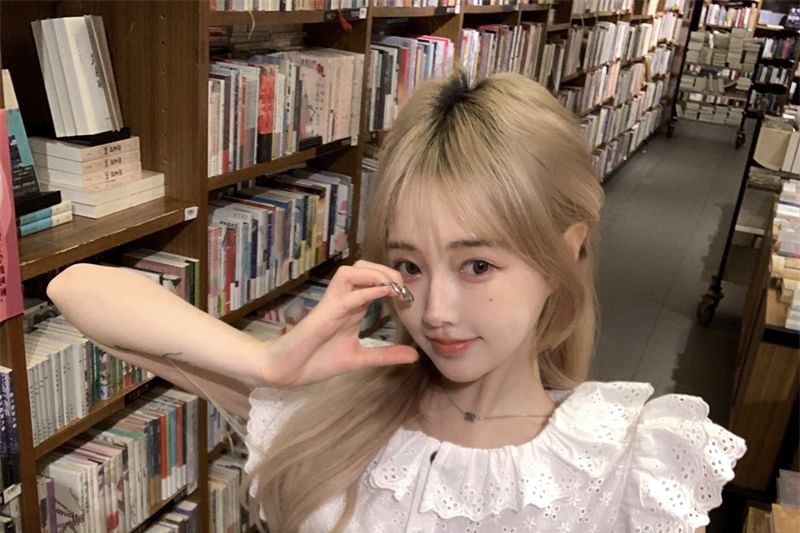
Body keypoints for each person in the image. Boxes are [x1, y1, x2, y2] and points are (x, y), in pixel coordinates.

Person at [47, 71, 746, 532]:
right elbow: (76, 287)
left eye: (477, 264)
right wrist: (266, 364)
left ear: (563, 252)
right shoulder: (334, 412)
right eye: (410, 264)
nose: (435, 309)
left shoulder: (626, 462)